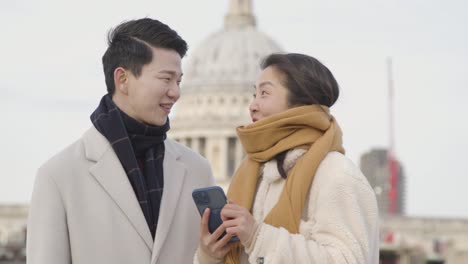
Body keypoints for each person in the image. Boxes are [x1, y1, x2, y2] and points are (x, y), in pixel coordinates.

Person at [27, 18, 214, 264]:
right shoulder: (58, 176)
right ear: (122, 79)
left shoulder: (197, 170)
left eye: (178, 81)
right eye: (166, 78)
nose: (176, 92)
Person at [195, 53, 379, 263]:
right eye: (254, 94)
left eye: (264, 93)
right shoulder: (254, 174)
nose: (252, 105)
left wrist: (258, 237)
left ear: (301, 106)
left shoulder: (336, 173)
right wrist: (210, 255)